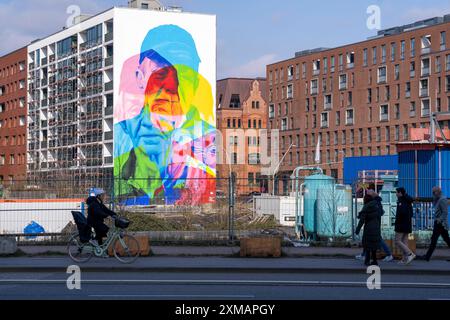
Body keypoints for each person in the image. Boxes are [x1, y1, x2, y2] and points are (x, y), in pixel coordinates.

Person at [355, 189, 394, 262]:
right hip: (375, 223)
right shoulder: (375, 202)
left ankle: (389, 254)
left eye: (367, 194)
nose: (365, 195)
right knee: (369, 240)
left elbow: (379, 212)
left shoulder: (374, 203)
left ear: (371, 195)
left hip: (373, 224)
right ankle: (364, 255)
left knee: (378, 240)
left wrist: (366, 215)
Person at [418, 187, 450, 261]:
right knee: (441, 240)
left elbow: (445, 212)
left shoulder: (442, 199)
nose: (433, 194)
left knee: (435, 240)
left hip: (440, 224)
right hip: (439, 223)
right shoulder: (438, 199)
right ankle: (427, 257)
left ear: (438, 192)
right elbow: (434, 204)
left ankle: (427, 257)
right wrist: (434, 197)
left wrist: (439, 220)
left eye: (434, 192)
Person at [355, 194, 382, 266]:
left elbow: (362, 220)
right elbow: (380, 216)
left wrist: (357, 230)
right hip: (376, 228)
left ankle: (367, 261)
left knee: (367, 245)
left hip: (369, 228)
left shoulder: (366, 207)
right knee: (374, 245)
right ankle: (375, 261)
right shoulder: (376, 206)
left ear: (365, 200)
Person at [394, 187, 416, 265]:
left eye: (396, 192)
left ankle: (410, 254)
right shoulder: (407, 200)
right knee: (404, 241)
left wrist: (397, 222)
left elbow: (401, 213)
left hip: (401, 224)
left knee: (397, 241)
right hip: (407, 224)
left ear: (400, 193)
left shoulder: (402, 201)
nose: (396, 194)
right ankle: (405, 259)